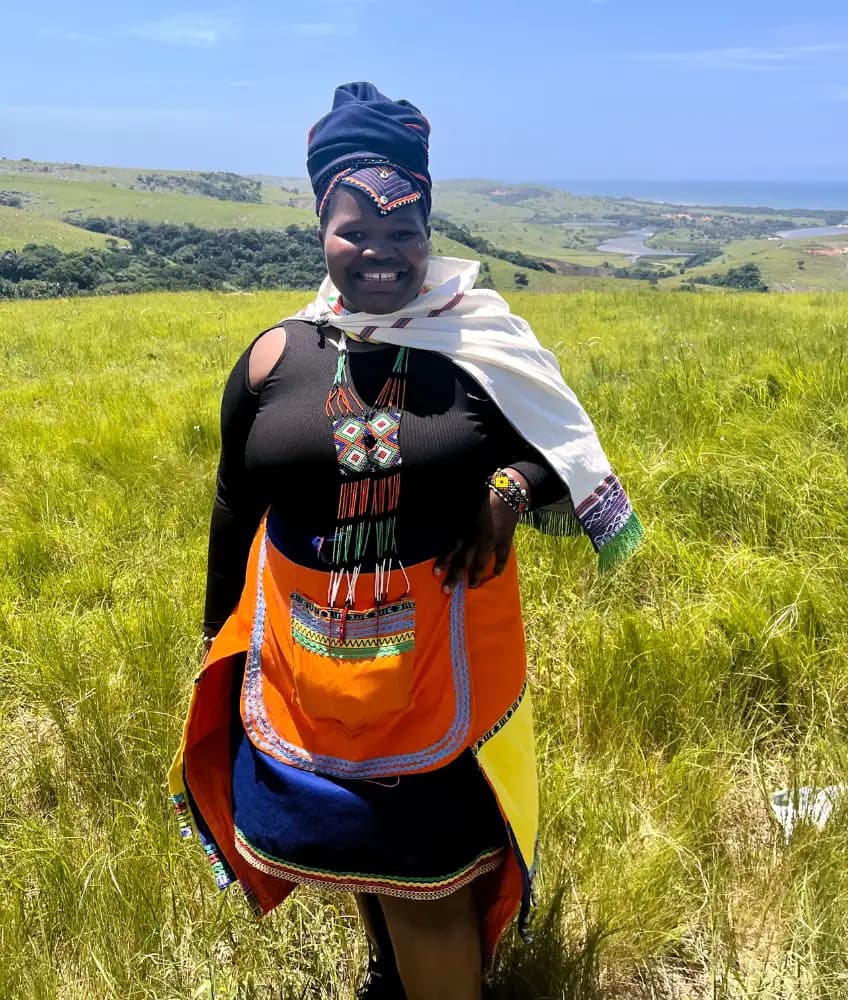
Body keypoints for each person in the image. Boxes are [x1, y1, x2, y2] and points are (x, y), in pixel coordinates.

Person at [169, 82, 642, 1000]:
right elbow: (236, 497)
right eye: (357, 232)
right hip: (304, 662)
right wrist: (215, 630)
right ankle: (389, 971)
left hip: (439, 659)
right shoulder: (276, 355)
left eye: (404, 233)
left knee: (432, 875)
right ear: (320, 228)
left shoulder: (478, 342)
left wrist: (506, 493)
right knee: (356, 852)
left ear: (431, 228)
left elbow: (559, 456)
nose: (380, 254)